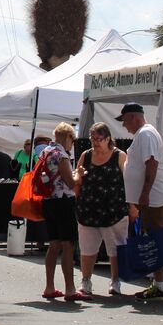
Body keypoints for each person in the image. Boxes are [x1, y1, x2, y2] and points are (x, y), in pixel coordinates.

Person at [117, 102, 163, 302]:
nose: (124, 125)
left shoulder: (146, 134)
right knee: (152, 241)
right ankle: (157, 284)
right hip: (150, 200)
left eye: (124, 120)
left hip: (155, 200)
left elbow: (152, 163)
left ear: (134, 117)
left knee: (155, 241)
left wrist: (144, 193)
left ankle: (160, 287)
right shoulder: (142, 134)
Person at [76, 123, 129, 296]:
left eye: (99, 139)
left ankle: (115, 281)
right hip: (88, 209)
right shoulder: (86, 155)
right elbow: (77, 178)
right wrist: (79, 177)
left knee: (115, 249)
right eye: (93, 139)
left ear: (108, 138)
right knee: (87, 248)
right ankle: (86, 281)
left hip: (114, 210)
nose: (95, 143)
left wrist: (133, 207)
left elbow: (129, 181)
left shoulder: (119, 156)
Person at [39, 123, 88, 302]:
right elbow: (70, 182)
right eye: (72, 140)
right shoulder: (61, 155)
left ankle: (49, 286)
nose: (72, 144)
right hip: (63, 202)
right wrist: (79, 174)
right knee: (68, 245)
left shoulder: (45, 152)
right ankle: (70, 289)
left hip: (48, 201)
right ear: (67, 137)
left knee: (54, 245)